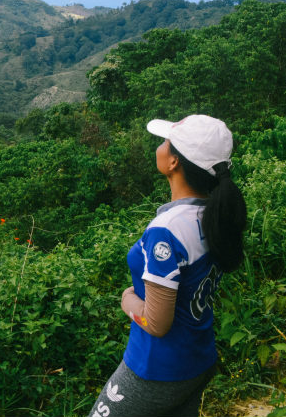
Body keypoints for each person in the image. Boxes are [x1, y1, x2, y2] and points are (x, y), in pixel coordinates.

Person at [88, 115, 248, 417]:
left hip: (155, 369)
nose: (160, 146)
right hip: (198, 360)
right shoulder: (211, 217)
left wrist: (127, 299)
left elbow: (158, 323)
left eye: (165, 142)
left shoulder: (168, 230)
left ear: (174, 162)